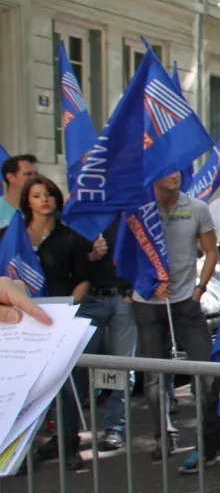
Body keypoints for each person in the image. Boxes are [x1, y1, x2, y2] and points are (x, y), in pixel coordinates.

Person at [130, 173, 220, 465]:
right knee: (155, 376)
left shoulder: (197, 208)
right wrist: (147, 282)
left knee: (208, 371)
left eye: (177, 170)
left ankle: (208, 439)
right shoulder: (137, 209)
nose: (174, 175)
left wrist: (199, 289)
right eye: (166, 170)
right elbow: (125, 257)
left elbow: (211, 252)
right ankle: (163, 435)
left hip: (186, 303)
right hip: (147, 304)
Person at [8, 176, 90, 470]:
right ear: (27, 201)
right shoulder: (9, 237)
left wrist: (68, 310)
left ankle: (69, 447)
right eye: (37, 195)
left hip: (59, 321)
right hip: (20, 324)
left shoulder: (70, 239)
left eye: (49, 195)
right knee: (25, 390)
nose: (44, 200)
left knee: (65, 386)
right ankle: (19, 451)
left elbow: (82, 281)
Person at [75, 215, 137, 451]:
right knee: (79, 365)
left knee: (122, 365)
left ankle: (115, 427)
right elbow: (66, 264)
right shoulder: (82, 214)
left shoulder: (128, 214)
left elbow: (144, 254)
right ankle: (71, 429)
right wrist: (90, 257)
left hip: (122, 298)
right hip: (89, 299)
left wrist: (133, 289)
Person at [0, 154, 37, 228]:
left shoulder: (42, 208)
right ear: (11, 177)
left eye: (36, 174)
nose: (34, 178)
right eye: (28, 174)